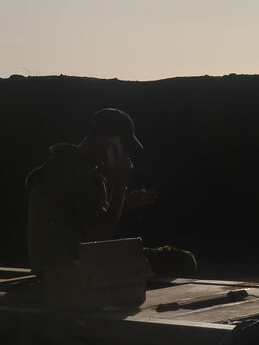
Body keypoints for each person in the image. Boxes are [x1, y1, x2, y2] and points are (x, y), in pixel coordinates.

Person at [25, 108, 196, 281]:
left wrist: (122, 205)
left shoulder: (57, 165)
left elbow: (78, 220)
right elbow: (101, 235)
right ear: (108, 138)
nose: (126, 154)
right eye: (124, 146)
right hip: (75, 270)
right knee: (183, 261)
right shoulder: (86, 178)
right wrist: (120, 185)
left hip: (48, 267)